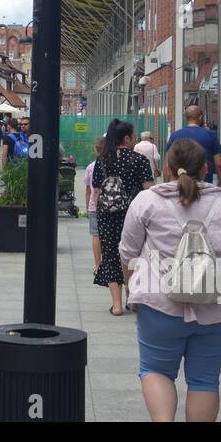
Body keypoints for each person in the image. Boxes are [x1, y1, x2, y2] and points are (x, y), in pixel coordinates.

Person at [119, 139, 221, 422]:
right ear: (206, 167)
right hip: (218, 307)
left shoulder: (146, 202)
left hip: (160, 304)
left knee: (156, 370)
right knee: (205, 380)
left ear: (167, 168)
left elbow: (127, 253)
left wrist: (131, 287)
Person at [92, 119, 155, 316]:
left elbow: (96, 192)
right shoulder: (139, 160)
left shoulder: (102, 160)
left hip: (108, 216)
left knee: (110, 255)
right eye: (133, 136)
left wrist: (103, 210)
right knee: (133, 255)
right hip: (133, 215)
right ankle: (133, 299)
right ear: (126, 138)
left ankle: (116, 305)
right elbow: (149, 190)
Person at [165, 106, 221, 186]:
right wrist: (220, 184)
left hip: (179, 186)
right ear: (200, 117)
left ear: (186, 118)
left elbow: (167, 163)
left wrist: (166, 184)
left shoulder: (175, 135)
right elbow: (219, 164)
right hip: (204, 185)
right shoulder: (210, 135)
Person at [84, 136, 104, 275]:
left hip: (94, 206)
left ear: (95, 150)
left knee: (96, 235)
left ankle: (98, 266)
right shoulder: (113, 165)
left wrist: (87, 206)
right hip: (110, 205)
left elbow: (88, 190)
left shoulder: (91, 167)